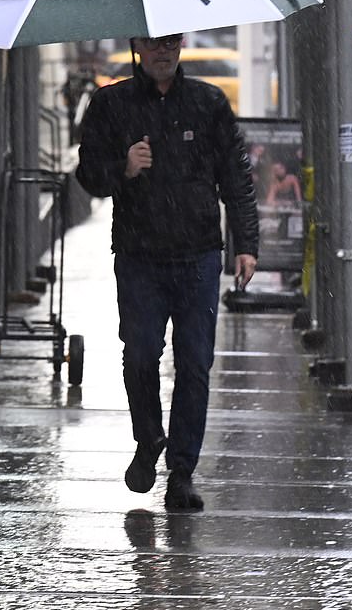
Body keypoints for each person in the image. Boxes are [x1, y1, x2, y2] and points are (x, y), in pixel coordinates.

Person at [76, 33, 259, 511]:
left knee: (195, 362)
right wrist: (125, 168)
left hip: (198, 254)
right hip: (140, 255)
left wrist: (247, 245)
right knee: (139, 355)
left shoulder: (207, 102)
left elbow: (235, 175)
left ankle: (182, 471)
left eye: (173, 42)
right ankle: (148, 438)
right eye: (155, 43)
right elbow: (88, 175)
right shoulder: (111, 104)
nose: (165, 52)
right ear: (138, 46)